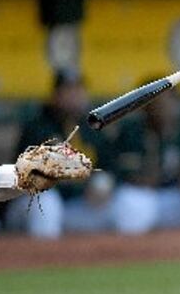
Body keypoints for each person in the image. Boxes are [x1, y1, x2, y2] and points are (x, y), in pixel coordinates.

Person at [6, 70, 110, 239]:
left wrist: (102, 184)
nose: (75, 95)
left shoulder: (90, 127)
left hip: (76, 204)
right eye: (68, 90)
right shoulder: (38, 127)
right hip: (29, 204)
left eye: (78, 89)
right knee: (47, 204)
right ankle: (42, 260)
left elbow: (108, 165)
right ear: (55, 95)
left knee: (123, 208)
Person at [112, 81, 180, 234]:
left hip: (172, 196)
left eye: (171, 101)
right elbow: (132, 176)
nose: (166, 108)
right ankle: (131, 253)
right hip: (143, 196)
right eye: (159, 103)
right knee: (130, 202)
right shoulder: (133, 131)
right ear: (147, 106)